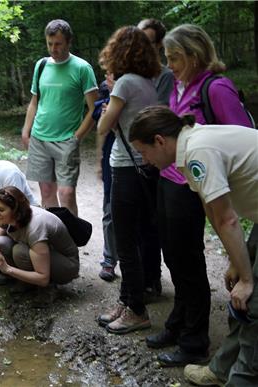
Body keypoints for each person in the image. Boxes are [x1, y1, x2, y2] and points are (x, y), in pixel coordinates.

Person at [143, 24, 253, 368]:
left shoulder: (216, 88)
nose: (169, 64)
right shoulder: (179, 86)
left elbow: (241, 137)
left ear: (195, 54)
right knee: (174, 258)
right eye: (167, 57)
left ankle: (195, 341)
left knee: (190, 263)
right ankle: (178, 324)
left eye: (174, 57)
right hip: (174, 181)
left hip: (200, 186)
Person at [129, 105, 258, 386]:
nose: (145, 159)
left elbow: (227, 220)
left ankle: (242, 379)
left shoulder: (198, 151)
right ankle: (222, 369)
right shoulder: (188, 150)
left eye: (144, 151)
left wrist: (247, 278)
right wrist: (237, 263)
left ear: (160, 140)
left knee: (254, 304)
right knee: (242, 302)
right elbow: (212, 210)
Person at [95, 26, 161, 334]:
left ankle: (137, 309)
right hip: (144, 167)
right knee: (135, 235)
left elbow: (103, 126)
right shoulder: (147, 83)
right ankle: (126, 300)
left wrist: (109, 96)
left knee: (125, 240)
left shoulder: (123, 84)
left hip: (125, 167)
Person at [21, 19, 98, 214]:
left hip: (67, 140)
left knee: (66, 193)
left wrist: (77, 137)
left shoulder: (82, 68)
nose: (53, 49)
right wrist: (26, 130)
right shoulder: (41, 65)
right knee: (46, 191)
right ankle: (55, 238)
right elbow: (34, 101)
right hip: (40, 138)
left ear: (68, 42)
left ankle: (71, 240)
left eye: (58, 44)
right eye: (50, 44)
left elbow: (94, 108)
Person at [0, 186, 78, 293]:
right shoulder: (16, 215)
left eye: (0, 209)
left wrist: (7, 269)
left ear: (15, 210)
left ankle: (47, 290)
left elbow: (43, 278)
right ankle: (24, 281)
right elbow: (1, 228)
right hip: (44, 255)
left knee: (20, 251)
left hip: (67, 266)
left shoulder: (35, 228)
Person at [93, 73, 118, 282]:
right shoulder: (104, 90)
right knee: (109, 211)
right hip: (112, 158)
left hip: (137, 160)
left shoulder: (138, 85)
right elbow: (100, 128)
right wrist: (99, 158)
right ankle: (109, 261)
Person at [137, 18, 174, 105]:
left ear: (159, 44)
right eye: (137, 42)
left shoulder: (166, 76)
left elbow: (158, 114)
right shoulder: (129, 74)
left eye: (147, 42)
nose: (140, 47)